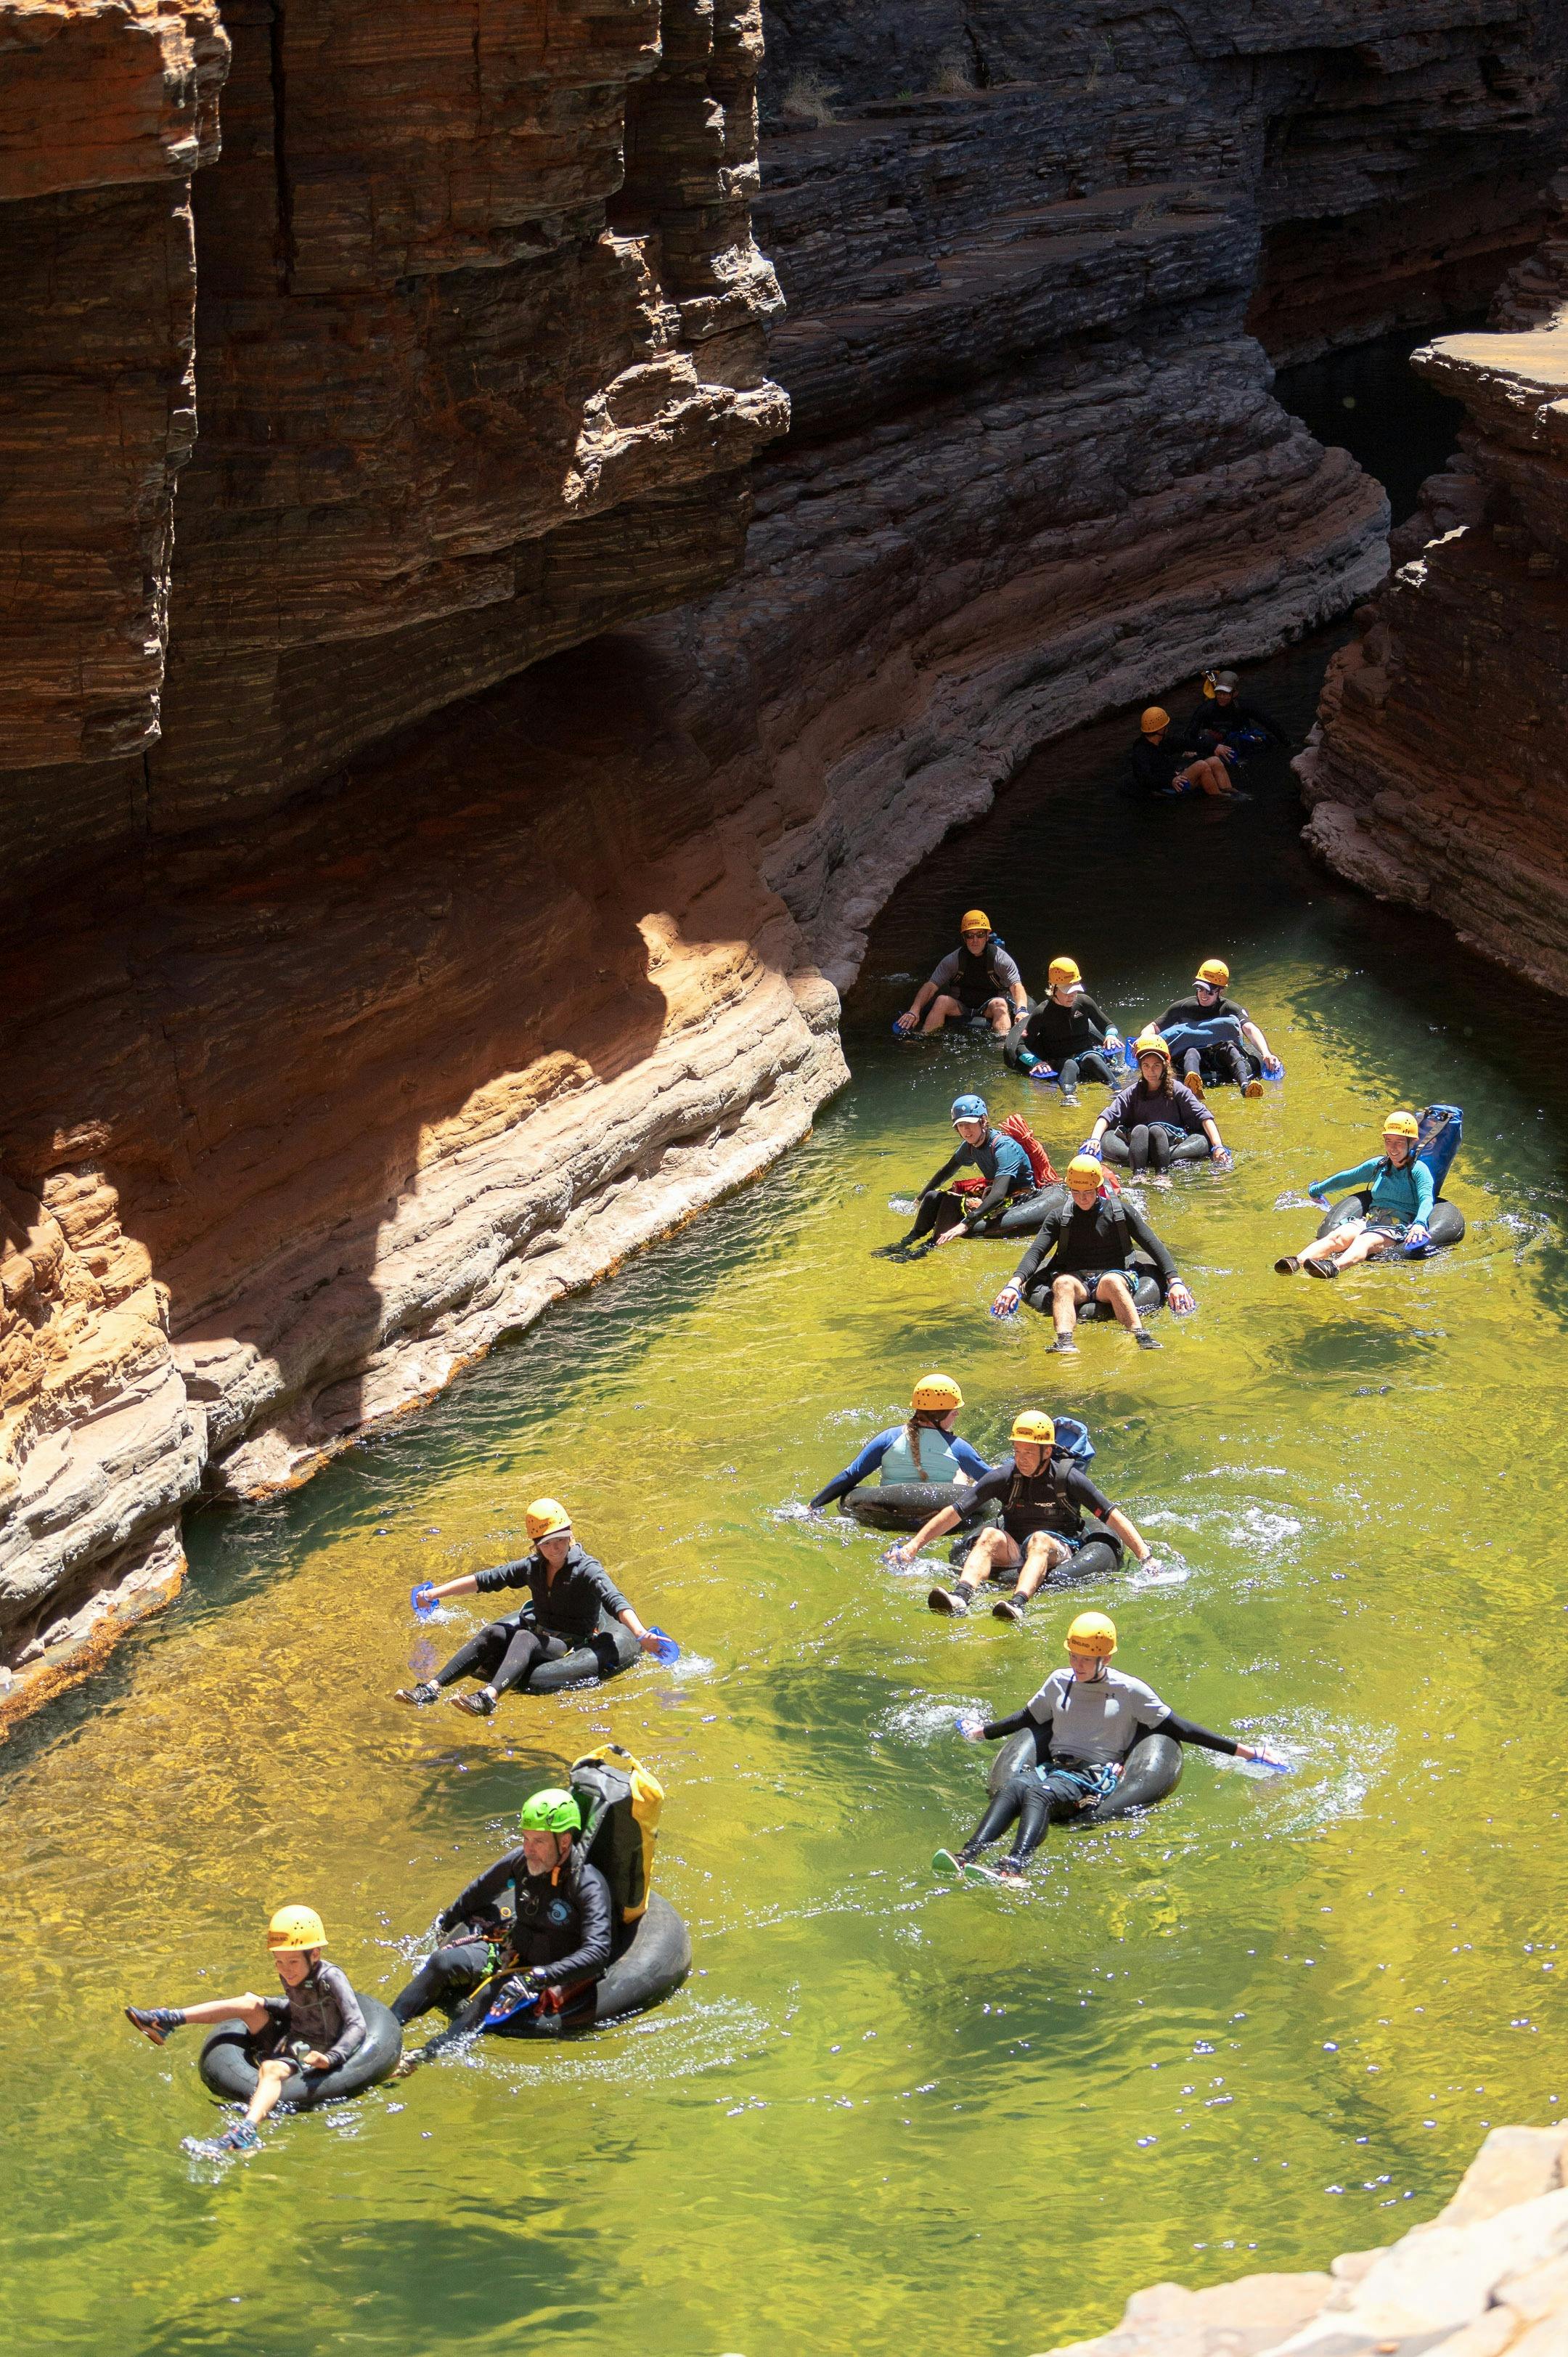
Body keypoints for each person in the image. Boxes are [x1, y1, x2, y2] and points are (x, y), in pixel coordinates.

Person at [934, 1611, 1289, 1883]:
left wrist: (1247, 1752)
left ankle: (1015, 1867)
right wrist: (982, 1733)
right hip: (1055, 1767)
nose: (1077, 1665)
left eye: (1085, 1659)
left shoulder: (1130, 1691)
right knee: (1014, 1786)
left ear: (1105, 1659)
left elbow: (1181, 1728)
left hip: (1091, 1776)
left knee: (1039, 1794)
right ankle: (967, 1856)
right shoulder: (1059, 1681)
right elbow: (1026, 1718)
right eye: (1073, 1656)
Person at [124, 1905, 366, 2158]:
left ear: (315, 1954)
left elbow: (357, 2024)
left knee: (270, 2069)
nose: (285, 1969)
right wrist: (265, 2002)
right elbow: (300, 2009)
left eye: (293, 1961)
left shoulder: (331, 1978)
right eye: (279, 1962)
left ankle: (246, 2133)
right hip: (292, 2041)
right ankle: (167, 2021)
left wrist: (331, 2058)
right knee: (249, 2004)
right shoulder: (292, 1973)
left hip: (313, 2052)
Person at [393, 1497, 665, 1716]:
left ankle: (488, 1698)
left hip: (569, 1644)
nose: (556, 1548)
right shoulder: (532, 1567)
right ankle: (431, 1688)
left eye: (562, 1539)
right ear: (537, 1545)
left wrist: (641, 1635)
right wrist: (432, 1594)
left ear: (570, 1536)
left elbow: (615, 1600)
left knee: (524, 1637)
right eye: (548, 1543)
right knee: (493, 1633)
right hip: (539, 1634)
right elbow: (484, 1580)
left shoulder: (587, 1569)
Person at [390, 1789, 612, 2055]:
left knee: (486, 1998)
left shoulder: (587, 1884)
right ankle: (386, 2030)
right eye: (526, 1838)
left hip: (549, 1969)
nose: (528, 1849)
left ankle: (418, 2058)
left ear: (564, 1842)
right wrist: (446, 1924)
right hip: (513, 1949)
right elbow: (480, 1891)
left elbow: (598, 1952)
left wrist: (538, 1978)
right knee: (442, 1962)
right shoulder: (521, 1862)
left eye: (539, 1841)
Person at [888, 1412, 1158, 1616]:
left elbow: (1112, 1516)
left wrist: (1146, 1557)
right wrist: (912, 1547)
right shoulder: (1004, 1477)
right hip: (1015, 1547)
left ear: (1047, 1451)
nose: (1021, 1458)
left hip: (1059, 1547)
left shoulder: (1068, 1479)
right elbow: (955, 1513)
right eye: (1017, 1451)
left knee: (1040, 1540)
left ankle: (1017, 1605)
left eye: (1029, 1452)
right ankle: (960, 1596)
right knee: (990, 1535)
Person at [990, 1154, 1194, 1351]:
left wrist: (1175, 1281)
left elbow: (1153, 1245)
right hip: (1076, 1280)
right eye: (1076, 1192)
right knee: (1062, 1283)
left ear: (1098, 1188)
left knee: (1112, 1281)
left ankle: (1140, 1335)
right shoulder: (1059, 1217)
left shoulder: (1121, 1214)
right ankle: (1064, 1341)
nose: (1082, 1198)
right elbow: (1036, 1252)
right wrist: (1013, 1284)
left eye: (1088, 1192)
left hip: (1114, 1275)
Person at [1276, 1109, 1434, 1277]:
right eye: (1388, 1141)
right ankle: (1296, 1261)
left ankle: (1333, 1267)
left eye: (1400, 1142)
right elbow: (1347, 1178)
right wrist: (1317, 1189)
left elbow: (1426, 1198)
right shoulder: (1380, 1165)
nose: (1393, 1148)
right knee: (1337, 1237)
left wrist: (1419, 1223)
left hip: (1397, 1227)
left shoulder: (1419, 1170)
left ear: (1412, 1143)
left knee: (1365, 1240)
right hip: (1371, 1220)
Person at [875, 1094, 1037, 1257]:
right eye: (961, 1125)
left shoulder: (1003, 1147)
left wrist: (966, 1223)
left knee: (951, 1202)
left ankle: (926, 1248)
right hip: (995, 1189)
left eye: (970, 1124)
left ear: (983, 1121)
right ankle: (907, 1241)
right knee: (932, 1196)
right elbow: (947, 1171)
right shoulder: (970, 1146)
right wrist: (919, 1198)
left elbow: (999, 1194)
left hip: (1018, 1195)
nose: (966, 1130)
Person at [809, 1373, 991, 1507]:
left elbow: (851, 1475)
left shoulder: (888, 1438)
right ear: (941, 1415)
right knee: (963, 1475)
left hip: (890, 1511)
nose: (957, 1414)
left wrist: (813, 1505)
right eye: (954, 1412)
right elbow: (993, 1480)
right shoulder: (958, 1447)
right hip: (938, 1514)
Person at [1085, 1030, 1233, 1176]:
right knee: (1137, 1131)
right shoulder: (1133, 1092)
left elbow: (1204, 1117)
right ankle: (1139, 1173)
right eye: (1146, 1066)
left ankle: (1161, 1173)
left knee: (1158, 1130)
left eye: (1156, 1065)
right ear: (1141, 1067)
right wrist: (1095, 1139)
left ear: (1164, 1065)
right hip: (1138, 1145)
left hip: (1171, 1144)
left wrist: (1218, 1146)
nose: (1151, 1071)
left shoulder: (1178, 1089)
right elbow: (1107, 1116)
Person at [1153, 958, 1282, 1094]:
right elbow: (1154, 1027)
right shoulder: (1183, 1007)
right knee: (1191, 1052)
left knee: (1229, 1047)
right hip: (1190, 1056)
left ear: (1221, 991)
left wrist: (1266, 1054)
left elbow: (1250, 1029)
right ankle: (1193, 1088)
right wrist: (1145, 1040)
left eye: (1210, 991)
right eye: (1200, 989)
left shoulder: (1229, 1008)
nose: (1203, 994)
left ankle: (1245, 1086)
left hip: (1217, 1056)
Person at [894, 911, 1028, 1038]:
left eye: (980, 934)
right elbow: (931, 986)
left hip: (990, 1008)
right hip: (960, 1006)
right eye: (970, 935)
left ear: (988, 935)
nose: (975, 940)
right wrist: (914, 1010)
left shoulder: (1001, 960)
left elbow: (1016, 986)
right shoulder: (953, 960)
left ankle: (1002, 1044)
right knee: (941, 1000)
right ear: (964, 937)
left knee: (1000, 1003)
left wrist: (1021, 1010)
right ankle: (926, 1038)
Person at [1010, 956, 1122, 1103]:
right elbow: (1021, 1045)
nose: (1072, 995)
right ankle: (1069, 1097)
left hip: (1086, 1054)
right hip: (1060, 1060)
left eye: (1075, 989)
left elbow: (1108, 1025)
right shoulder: (1042, 1012)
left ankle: (1117, 1090)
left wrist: (1111, 1036)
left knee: (1092, 1058)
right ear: (1054, 988)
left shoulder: (1084, 1002)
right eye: (1067, 991)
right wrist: (1037, 1063)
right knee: (1070, 1064)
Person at [1180, 668, 1291, 770]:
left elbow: (1269, 722)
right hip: (1214, 745)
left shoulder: (1244, 706)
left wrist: (1287, 743)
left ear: (1235, 693)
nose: (1222, 697)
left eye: (1226, 694)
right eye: (1219, 693)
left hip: (1239, 742)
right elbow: (1191, 731)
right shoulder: (1206, 708)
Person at [1130, 707, 1240, 799]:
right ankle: (1222, 800)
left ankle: (1234, 793)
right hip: (1167, 786)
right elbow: (1145, 778)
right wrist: (1170, 781)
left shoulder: (1164, 742)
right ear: (1161, 729)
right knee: (1201, 765)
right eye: (1165, 726)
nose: (1167, 727)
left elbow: (1187, 743)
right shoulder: (1141, 751)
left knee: (1215, 761)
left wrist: (1214, 747)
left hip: (1174, 777)